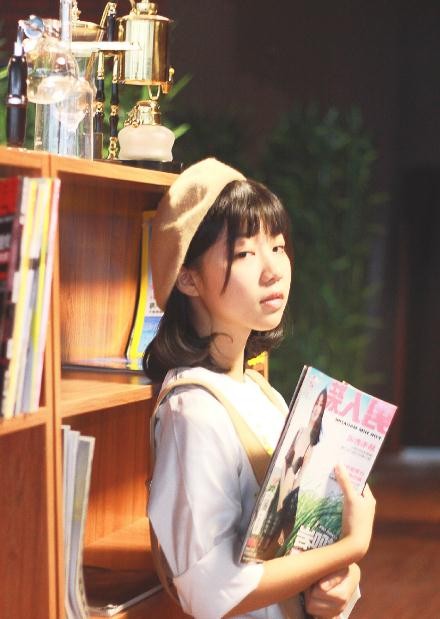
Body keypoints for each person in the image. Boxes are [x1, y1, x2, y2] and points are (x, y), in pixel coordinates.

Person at [144, 158, 376, 619]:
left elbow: (296, 548)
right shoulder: (193, 410)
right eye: (245, 253)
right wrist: (351, 546)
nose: (274, 270)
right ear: (188, 277)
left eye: (278, 246)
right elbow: (209, 593)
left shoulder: (261, 391)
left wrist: (339, 583)